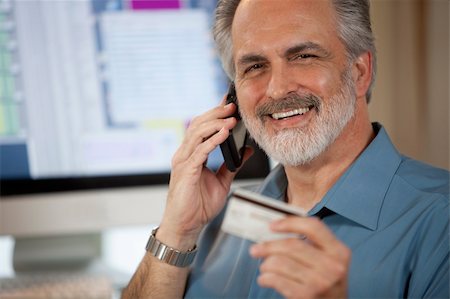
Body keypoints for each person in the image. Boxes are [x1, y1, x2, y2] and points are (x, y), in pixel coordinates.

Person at [122, 0, 449, 298]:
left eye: (304, 56)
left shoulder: (439, 221)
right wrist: (177, 231)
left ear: (359, 72)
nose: (277, 89)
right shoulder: (216, 217)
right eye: (254, 67)